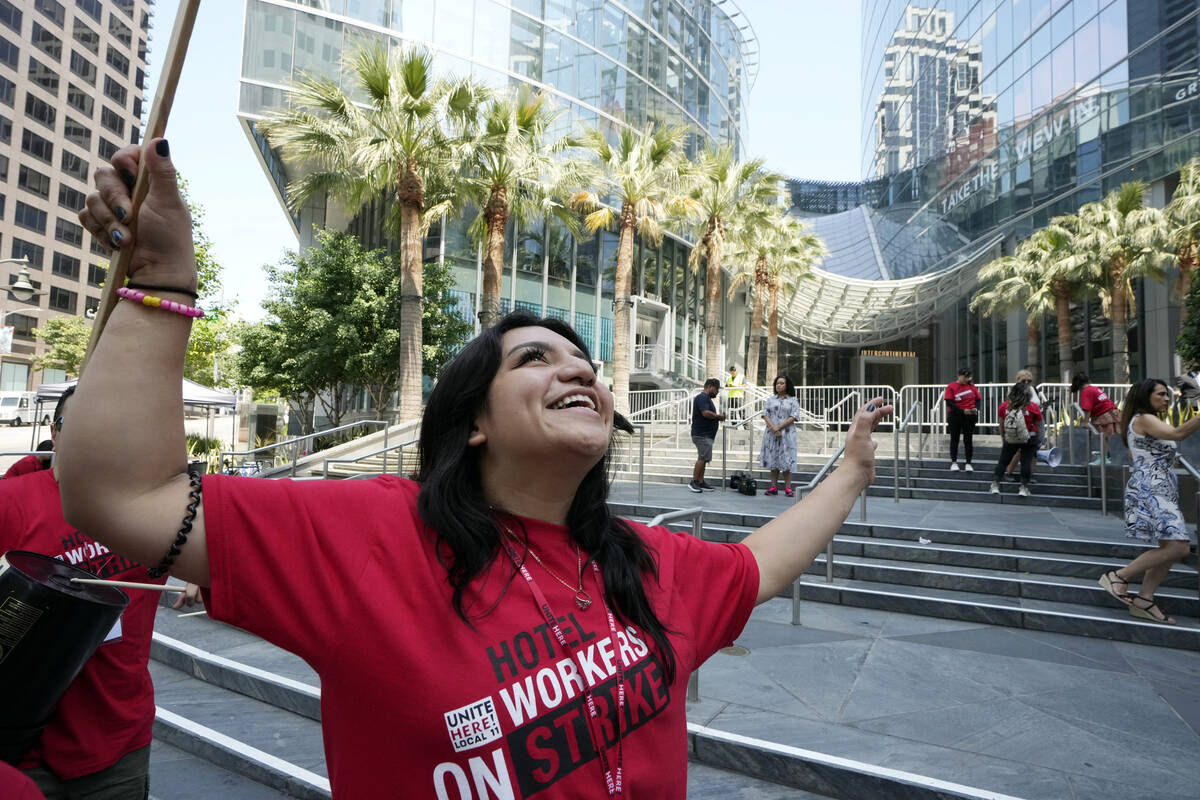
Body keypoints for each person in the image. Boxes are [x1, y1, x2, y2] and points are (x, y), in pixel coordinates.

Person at [60, 138, 893, 799]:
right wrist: (163, 281)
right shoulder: (377, 535)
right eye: (536, 357)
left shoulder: (648, 564)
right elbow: (125, 495)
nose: (579, 372)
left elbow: (760, 566)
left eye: (587, 365)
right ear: (476, 424)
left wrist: (852, 469)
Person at [0, 386, 199, 798]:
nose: (96, 440)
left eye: (109, 429)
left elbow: (226, 541)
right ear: (55, 434)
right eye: (80, 427)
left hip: (119, 745)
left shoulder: (153, 512)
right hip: (19, 750)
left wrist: (201, 571)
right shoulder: (11, 501)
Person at [1097, 379, 1200, 625]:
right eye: (1161, 394)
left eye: (1167, 395)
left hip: (1157, 487)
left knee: (1170, 548)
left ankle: (1145, 598)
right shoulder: (1143, 418)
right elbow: (1178, 433)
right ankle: (1118, 577)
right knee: (1179, 547)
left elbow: (1140, 453)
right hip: (1153, 489)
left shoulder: (1143, 421)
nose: (1167, 399)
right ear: (1146, 396)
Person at [990, 382, 1042, 498]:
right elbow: (1038, 426)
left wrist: (1003, 437)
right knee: (1026, 463)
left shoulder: (1004, 406)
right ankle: (1023, 488)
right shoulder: (1033, 407)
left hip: (1011, 438)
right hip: (1029, 438)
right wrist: (1037, 440)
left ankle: (995, 485)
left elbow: (1001, 424)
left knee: (1003, 461)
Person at [760, 375, 802, 497]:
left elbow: (794, 416)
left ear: (787, 385)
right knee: (773, 460)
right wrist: (773, 428)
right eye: (777, 383)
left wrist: (779, 427)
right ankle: (773, 486)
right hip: (771, 434)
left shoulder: (793, 400)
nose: (779, 385)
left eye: (782, 383)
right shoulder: (770, 400)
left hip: (787, 434)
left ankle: (788, 488)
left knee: (787, 460)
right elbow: (764, 414)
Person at [1003, 370, 1041, 481]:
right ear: (1018, 380)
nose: (1026, 382)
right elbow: (1009, 406)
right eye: (1023, 380)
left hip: (1035, 421)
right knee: (1019, 450)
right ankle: (1009, 472)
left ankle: (1028, 475)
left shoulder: (1033, 389)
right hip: (1020, 422)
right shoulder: (1014, 390)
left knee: (1034, 451)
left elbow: (1035, 404)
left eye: (1029, 380)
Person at [690, 378, 726, 492]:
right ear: (709, 386)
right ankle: (694, 482)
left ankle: (700, 481)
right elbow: (705, 413)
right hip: (702, 434)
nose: (717, 392)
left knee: (704, 458)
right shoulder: (702, 397)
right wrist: (719, 416)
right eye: (716, 389)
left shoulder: (706, 398)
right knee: (702, 458)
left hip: (705, 435)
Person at [943, 367, 981, 471]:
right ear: (959, 376)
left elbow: (978, 399)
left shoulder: (972, 386)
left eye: (968, 377)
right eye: (965, 377)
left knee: (968, 439)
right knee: (954, 439)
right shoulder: (951, 386)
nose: (966, 379)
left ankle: (968, 463)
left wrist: (976, 409)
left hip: (970, 416)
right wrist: (962, 410)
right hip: (955, 415)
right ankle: (954, 462)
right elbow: (949, 402)